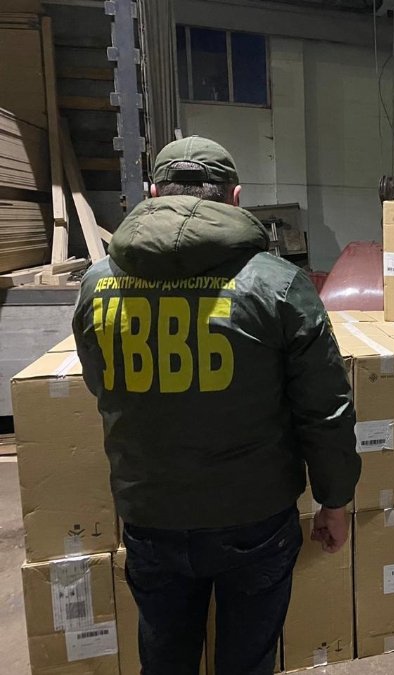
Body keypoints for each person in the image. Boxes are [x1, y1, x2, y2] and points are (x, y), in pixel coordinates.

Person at [72, 136, 361, 675]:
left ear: (153, 193)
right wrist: (335, 501)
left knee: (164, 661)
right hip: (255, 518)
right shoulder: (277, 285)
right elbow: (325, 410)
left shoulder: (98, 283)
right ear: (235, 197)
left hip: (150, 513)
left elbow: (102, 385)